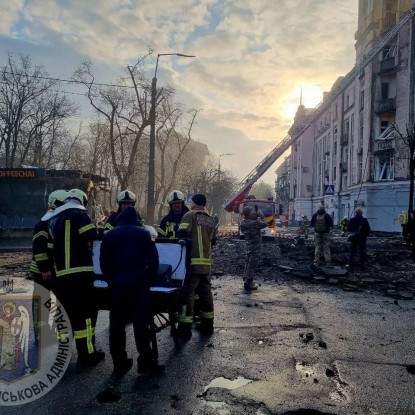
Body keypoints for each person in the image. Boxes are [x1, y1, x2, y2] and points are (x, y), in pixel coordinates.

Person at [100, 206, 164, 375]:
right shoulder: (143, 234)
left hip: (118, 283)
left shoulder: (110, 235)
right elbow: (153, 259)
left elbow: (103, 262)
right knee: (141, 323)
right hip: (139, 282)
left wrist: (110, 280)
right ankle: (145, 362)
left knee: (117, 324)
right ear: (136, 219)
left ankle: (119, 362)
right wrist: (148, 279)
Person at [47, 188, 105, 367]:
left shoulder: (54, 219)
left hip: (62, 276)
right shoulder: (80, 214)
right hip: (81, 274)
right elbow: (90, 234)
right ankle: (87, 355)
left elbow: (50, 248)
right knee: (86, 315)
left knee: (66, 315)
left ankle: (62, 356)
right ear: (82, 201)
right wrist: (100, 231)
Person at [176, 193, 217, 339]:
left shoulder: (190, 214)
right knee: (206, 293)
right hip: (206, 264)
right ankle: (208, 324)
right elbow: (214, 241)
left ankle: (184, 328)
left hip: (192, 263)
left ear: (194, 203)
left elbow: (181, 234)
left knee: (187, 294)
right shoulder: (210, 219)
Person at [31, 189, 68, 339]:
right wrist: (45, 269)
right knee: (41, 303)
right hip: (43, 272)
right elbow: (39, 249)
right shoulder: (44, 223)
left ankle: (60, 333)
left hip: (56, 270)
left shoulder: (57, 221)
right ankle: (42, 334)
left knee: (61, 302)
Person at [240, 206, 268, 291]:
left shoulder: (243, 223)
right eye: (252, 212)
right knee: (252, 265)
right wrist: (261, 215)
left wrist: (255, 216)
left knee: (248, 263)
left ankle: (247, 280)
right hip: (255, 247)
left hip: (248, 246)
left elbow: (250, 220)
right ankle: (248, 283)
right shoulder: (255, 223)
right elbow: (265, 223)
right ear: (249, 213)